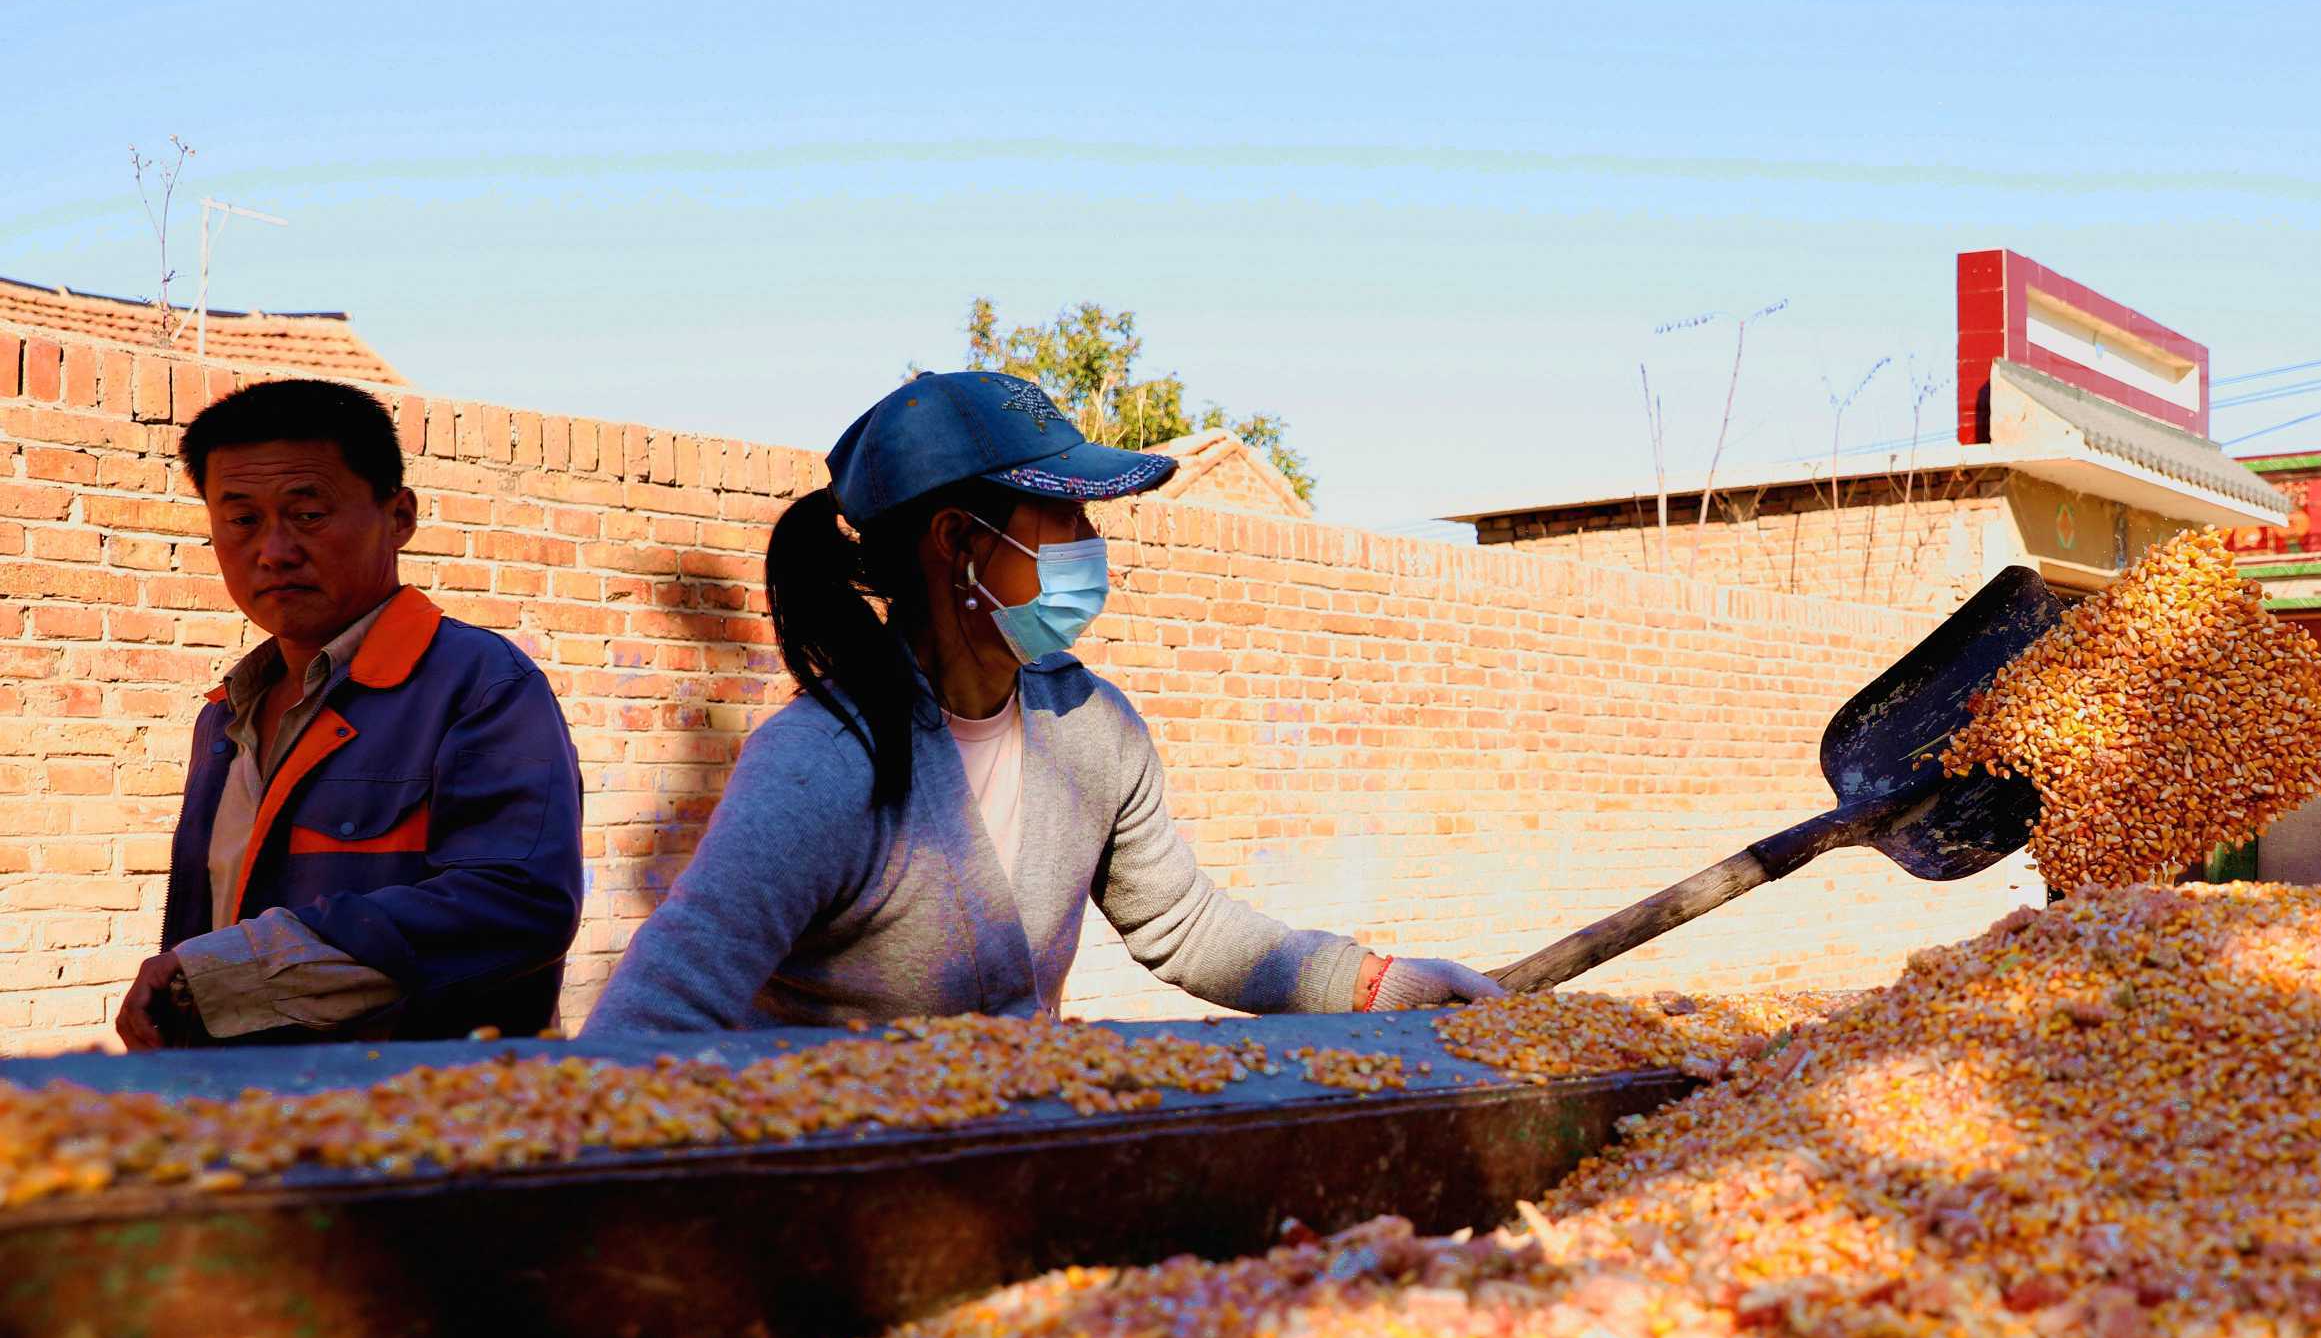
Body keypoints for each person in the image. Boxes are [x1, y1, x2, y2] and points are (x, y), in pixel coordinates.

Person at [585, 371, 1499, 1035]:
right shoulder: (824, 765)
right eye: (1066, 517)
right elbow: (652, 1021)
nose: (1092, 544)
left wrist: (1375, 984)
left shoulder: (1092, 730)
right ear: (957, 541)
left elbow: (1183, 923)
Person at [118, 377, 586, 1050]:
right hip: (235, 1112)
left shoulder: (480, 688)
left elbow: (519, 905)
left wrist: (228, 976)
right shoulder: (225, 718)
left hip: (416, 1119)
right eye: (242, 519)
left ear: (399, 517)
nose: (273, 551)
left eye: (307, 514)